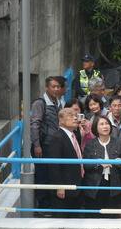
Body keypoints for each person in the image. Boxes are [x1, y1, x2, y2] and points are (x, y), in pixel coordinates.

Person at [82, 115, 121, 216]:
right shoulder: (90, 144)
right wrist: (98, 163)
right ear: (96, 127)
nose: (105, 126)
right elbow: (85, 164)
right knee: (94, 216)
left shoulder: (117, 143)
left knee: (110, 216)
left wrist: (120, 162)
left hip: (113, 184)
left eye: (107, 123)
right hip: (95, 185)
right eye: (101, 124)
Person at [30, 76, 64, 208]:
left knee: (52, 174)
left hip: (53, 145)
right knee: (42, 175)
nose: (56, 89)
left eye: (58, 87)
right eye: (53, 86)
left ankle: (51, 204)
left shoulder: (57, 101)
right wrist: (37, 145)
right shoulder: (40, 103)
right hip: (43, 146)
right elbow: (34, 125)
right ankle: (43, 206)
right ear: (47, 88)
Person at [43, 108, 84, 215]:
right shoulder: (57, 137)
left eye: (75, 115)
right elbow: (54, 165)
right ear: (61, 120)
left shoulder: (73, 135)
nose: (75, 118)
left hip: (75, 185)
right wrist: (59, 186)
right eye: (71, 116)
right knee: (62, 220)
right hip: (64, 188)